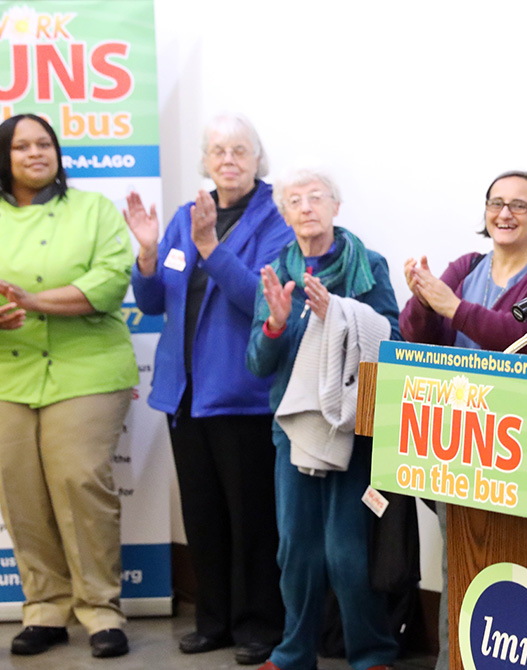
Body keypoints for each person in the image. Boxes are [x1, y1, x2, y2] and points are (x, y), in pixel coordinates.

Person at [127, 113, 291, 665]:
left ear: (257, 159)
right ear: (205, 160)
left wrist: (211, 248)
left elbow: (263, 301)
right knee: (202, 515)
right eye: (217, 150)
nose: (228, 159)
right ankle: (214, 620)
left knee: (251, 519)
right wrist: (149, 254)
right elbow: (153, 302)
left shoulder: (276, 218)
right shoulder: (183, 217)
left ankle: (258, 625)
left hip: (242, 394)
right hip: (184, 394)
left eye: (239, 150)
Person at [399, 170, 527, 670]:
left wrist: (451, 305)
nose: (505, 214)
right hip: (456, 443)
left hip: (512, 448)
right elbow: (416, 333)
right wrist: (423, 301)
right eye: (496, 203)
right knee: (459, 563)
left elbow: (523, 338)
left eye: (519, 205)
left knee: (510, 565)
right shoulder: (465, 266)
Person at [246, 168, 399, 670]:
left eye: (316, 197)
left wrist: (341, 314)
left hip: (351, 428)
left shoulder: (368, 265)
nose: (306, 206)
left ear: (336, 207)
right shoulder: (274, 271)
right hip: (292, 430)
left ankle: (371, 652)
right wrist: (274, 323)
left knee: (347, 552)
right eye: (295, 200)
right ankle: (293, 653)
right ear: (285, 214)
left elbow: (390, 341)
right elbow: (257, 363)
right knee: (296, 551)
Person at [0, 113, 138, 658]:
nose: (37, 153)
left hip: (87, 369)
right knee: (21, 492)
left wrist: (32, 302)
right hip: (8, 373)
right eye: (22, 146)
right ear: (4, 157)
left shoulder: (93, 210)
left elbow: (108, 281)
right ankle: (45, 608)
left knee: (80, 481)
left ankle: (101, 610)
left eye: (45, 144)